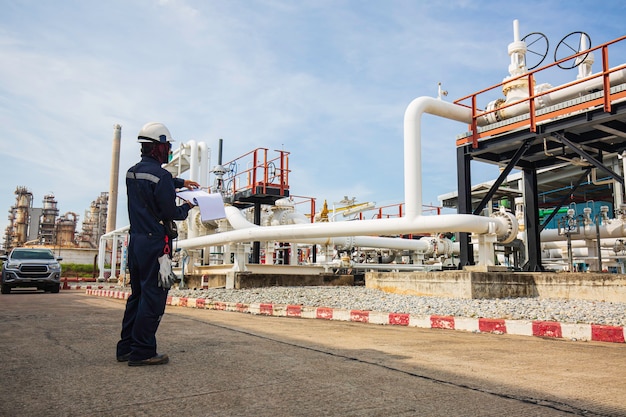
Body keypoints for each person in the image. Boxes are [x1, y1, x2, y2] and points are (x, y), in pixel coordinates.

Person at [116, 122, 199, 366]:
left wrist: (181, 183)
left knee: (137, 295)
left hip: (137, 242)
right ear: (157, 147)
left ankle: (126, 348)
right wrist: (189, 205)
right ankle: (143, 351)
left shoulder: (132, 173)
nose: (169, 149)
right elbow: (169, 210)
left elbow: (153, 182)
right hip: (156, 245)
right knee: (153, 296)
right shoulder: (161, 176)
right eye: (167, 145)